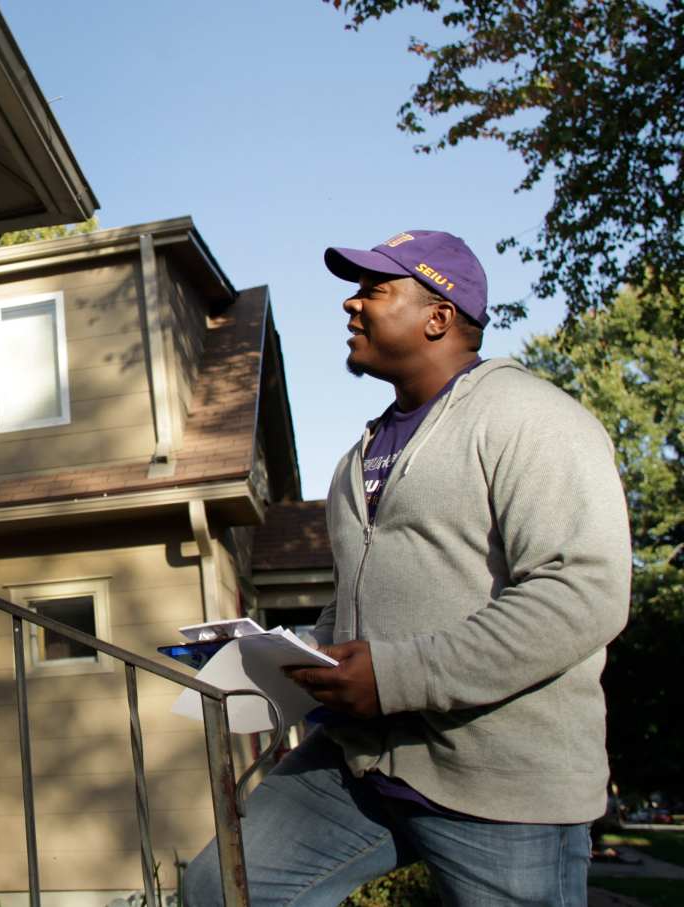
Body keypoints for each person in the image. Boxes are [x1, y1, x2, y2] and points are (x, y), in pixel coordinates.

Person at [183, 230, 631, 905]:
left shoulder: (533, 418)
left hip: (500, 780)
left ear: (438, 315)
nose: (350, 306)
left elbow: (582, 594)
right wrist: (294, 663)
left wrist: (394, 676)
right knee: (222, 887)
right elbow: (353, 605)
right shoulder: (357, 458)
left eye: (373, 289)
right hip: (359, 763)